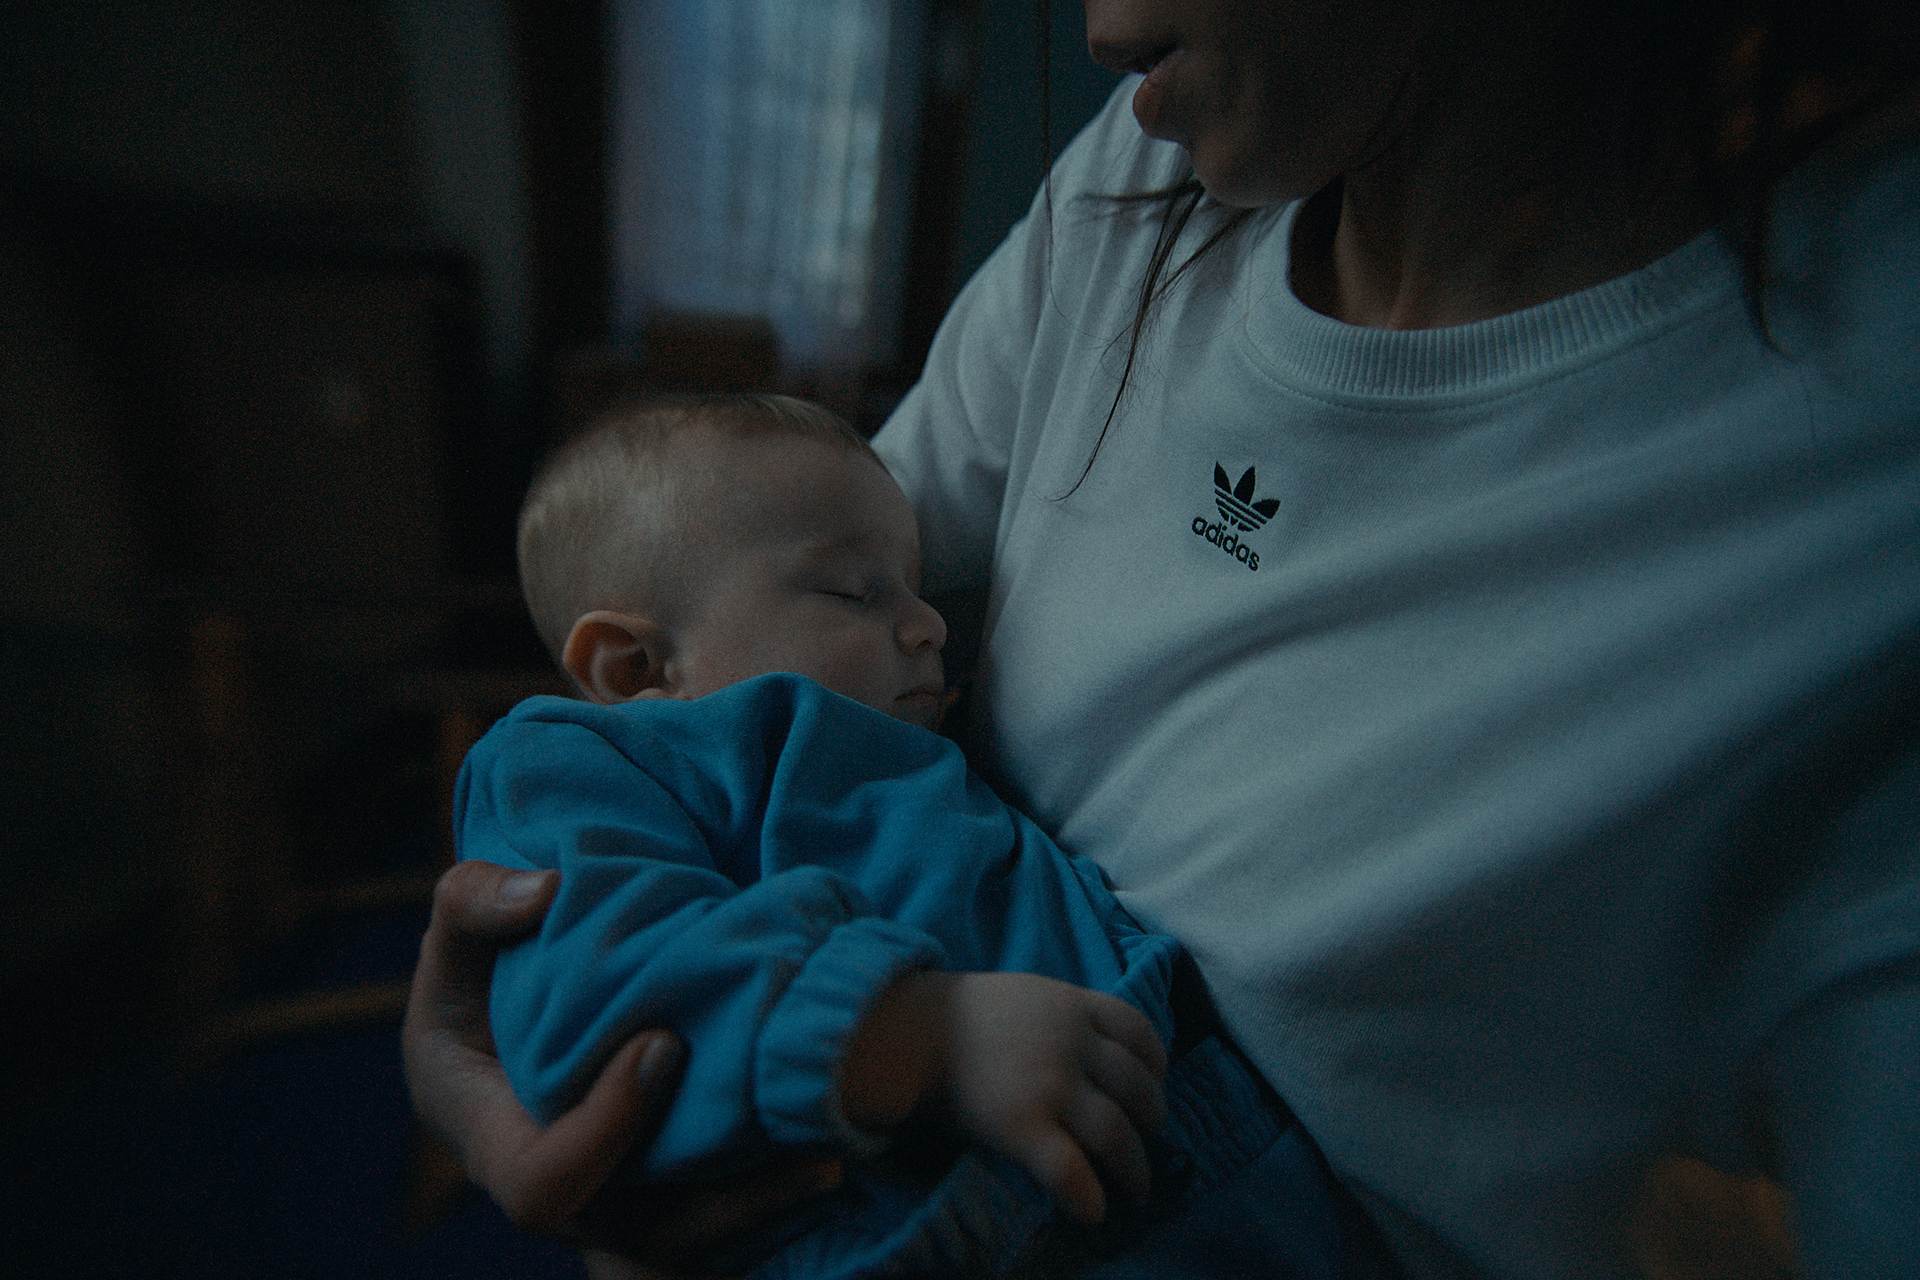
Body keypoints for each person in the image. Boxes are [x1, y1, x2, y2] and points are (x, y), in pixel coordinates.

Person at [406, 2, 1920, 1276]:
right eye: (877, 604)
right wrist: (878, 1035)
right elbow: (745, 601)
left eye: (901, 597)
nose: (1101, 27)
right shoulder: (1153, 164)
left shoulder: (1861, 459)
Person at [453, 393, 1353, 1278]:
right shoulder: (577, 765)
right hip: (956, 1218)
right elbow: (594, 995)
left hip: (1200, 1151)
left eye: (917, 587)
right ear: (638, 667)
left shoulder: (908, 742)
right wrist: (923, 1036)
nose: (931, 625)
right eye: (855, 591)